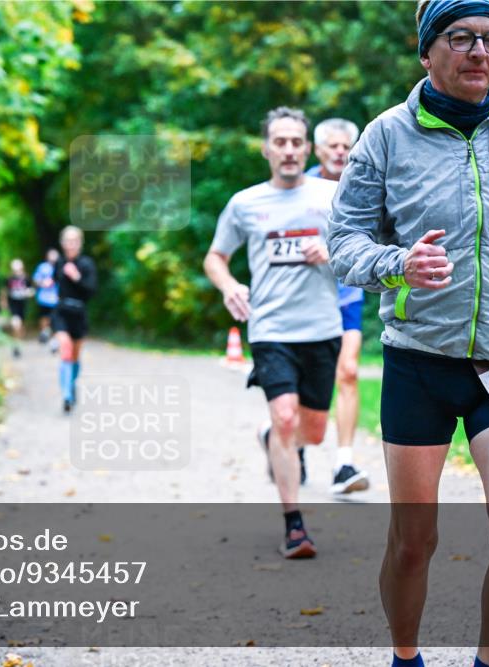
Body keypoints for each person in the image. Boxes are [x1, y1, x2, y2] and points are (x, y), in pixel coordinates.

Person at [327, 2, 489, 666]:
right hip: (420, 361)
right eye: (462, 38)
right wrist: (399, 264)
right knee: (414, 540)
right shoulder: (386, 135)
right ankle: (406, 655)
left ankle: (488, 663)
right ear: (427, 51)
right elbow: (344, 242)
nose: (480, 52)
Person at [204, 107, 343, 559]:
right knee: (285, 418)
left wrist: (333, 248)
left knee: (315, 433)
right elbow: (215, 257)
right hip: (271, 329)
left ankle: (274, 440)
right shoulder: (246, 204)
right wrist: (229, 286)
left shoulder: (332, 196)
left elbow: (365, 243)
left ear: (308, 149)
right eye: (279, 142)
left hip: (323, 327)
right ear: (266, 149)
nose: (288, 150)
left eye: (296, 142)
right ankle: (295, 526)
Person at [308, 118, 371, 495]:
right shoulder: (298, 188)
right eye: (331, 145)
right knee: (307, 383)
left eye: (345, 145)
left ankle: (344, 463)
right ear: (318, 150)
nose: (339, 151)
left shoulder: (363, 186)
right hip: (305, 300)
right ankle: (288, 439)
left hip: (346, 296)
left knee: (347, 372)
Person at [52, 226, 97, 413]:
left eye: (74, 241)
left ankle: (71, 384)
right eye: (67, 241)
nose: (70, 244)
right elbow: (54, 283)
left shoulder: (86, 264)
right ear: (62, 243)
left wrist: (76, 277)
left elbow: (92, 290)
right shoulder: (59, 263)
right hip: (61, 312)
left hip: (78, 313)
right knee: (66, 349)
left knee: (75, 356)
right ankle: (66, 395)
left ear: (80, 243)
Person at [1, 259, 34, 358]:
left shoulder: (27, 278)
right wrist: (3, 302)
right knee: (16, 324)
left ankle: (18, 343)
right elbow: (4, 291)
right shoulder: (9, 278)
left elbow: (32, 290)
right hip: (13, 305)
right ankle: (15, 344)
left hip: (23, 304)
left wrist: (29, 293)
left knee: (21, 326)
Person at [33, 248, 61, 352]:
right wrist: (42, 283)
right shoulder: (42, 267)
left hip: (57, 299)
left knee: (55, 320)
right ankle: (44, 332)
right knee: (44, 318)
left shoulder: (60, 267)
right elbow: (36, 280)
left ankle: (53, 341)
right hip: (44, 299)